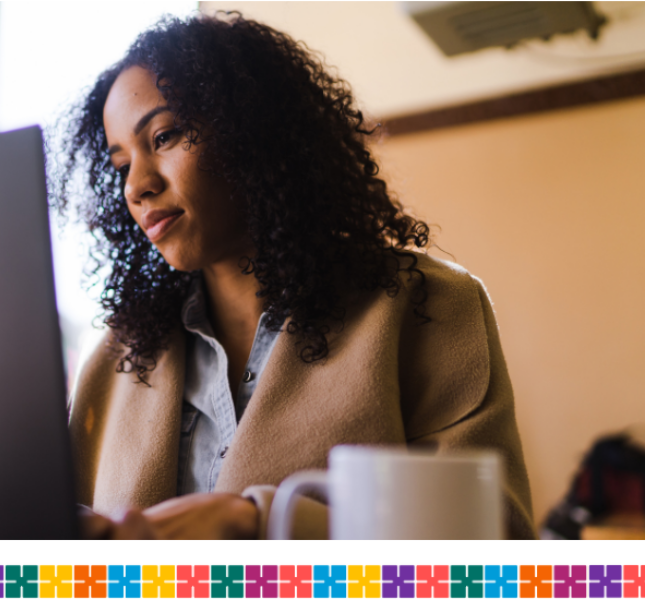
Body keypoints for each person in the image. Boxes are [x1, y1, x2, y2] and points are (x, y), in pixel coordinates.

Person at [57, 12, 535, 540]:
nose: (137, 186)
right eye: (122, 165)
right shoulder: (116, 359)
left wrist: (264, 522)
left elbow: (494, 552)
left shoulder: (428, 306)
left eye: (165, 136)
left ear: (253, 131)